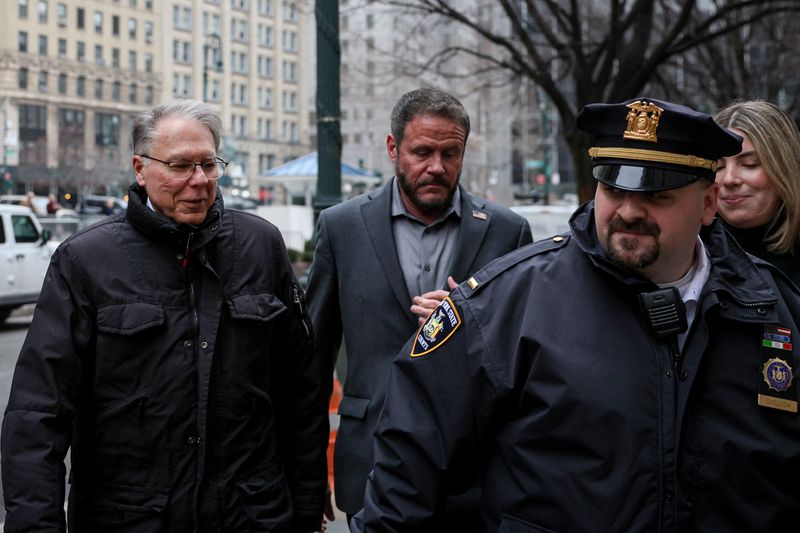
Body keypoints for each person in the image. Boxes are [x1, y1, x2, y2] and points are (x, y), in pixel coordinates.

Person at [352, 97, 800, 532]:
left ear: (707, 204)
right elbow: (407, 474)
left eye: (656, 195)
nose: (628, 211)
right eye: (613, 188)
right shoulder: (508, 304)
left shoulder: (773, 309)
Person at [1, 99, 329, 532]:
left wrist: (306, 506)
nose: (198, 181)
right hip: (128, 519)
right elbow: (38, 413)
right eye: (180, 166)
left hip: (250, 516)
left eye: (209, 165)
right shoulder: (85, 261)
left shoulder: (261, 247)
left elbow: (300, 393)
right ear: (140, 168)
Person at [305, 87, 532, 526]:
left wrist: (468, 322)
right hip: (371, 463)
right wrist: (308, 471)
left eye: (451, 153)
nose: (437, 167)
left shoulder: (507, 232)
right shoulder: (343, 227)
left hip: (477, 475)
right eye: (422, 151)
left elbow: (528, 359)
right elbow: (312, 364)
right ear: (393, 148)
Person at [714, 99, 800, 285]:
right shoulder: (690, 256)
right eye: (719, 166)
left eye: (749, 164)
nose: (729, 179)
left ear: (785, 167)